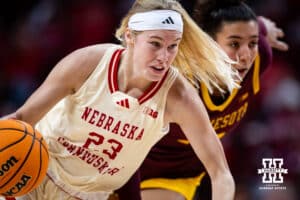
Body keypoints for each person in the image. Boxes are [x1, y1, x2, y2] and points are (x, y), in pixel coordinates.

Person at [0, 0, 240, 200]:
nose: (164, 57)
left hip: (87, 195)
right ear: (130, 37)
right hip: (33, 172)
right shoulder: (87, 63)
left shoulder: (179, 97)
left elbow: (221, 174)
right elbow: (21, 118)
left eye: (172, 46)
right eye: (155, 44)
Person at [139, 0, 289, 200]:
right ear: (206, 48)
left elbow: (253, 33)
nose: (245, 55)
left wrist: (261, 25)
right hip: (132, 163)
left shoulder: (259, 57)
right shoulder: (178, 81)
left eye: (251, 43)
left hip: (177, 177)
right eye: (234, 44)